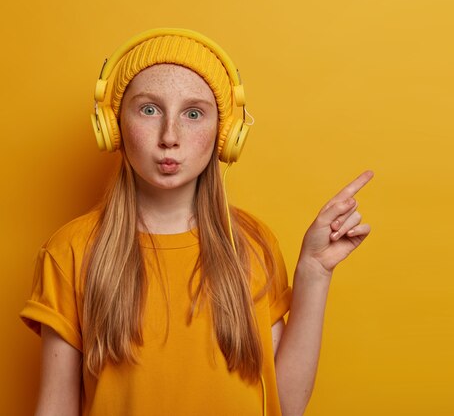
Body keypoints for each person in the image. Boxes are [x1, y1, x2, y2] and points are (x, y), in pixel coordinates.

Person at [20, 28, 372, 416]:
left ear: (225, 134)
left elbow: (285, 405)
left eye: (193, 113)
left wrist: (314, 272)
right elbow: (55, 407)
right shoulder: (69, 250)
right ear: (113, 125)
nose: (170, 136)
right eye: (149, 109)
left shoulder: (253, 244)